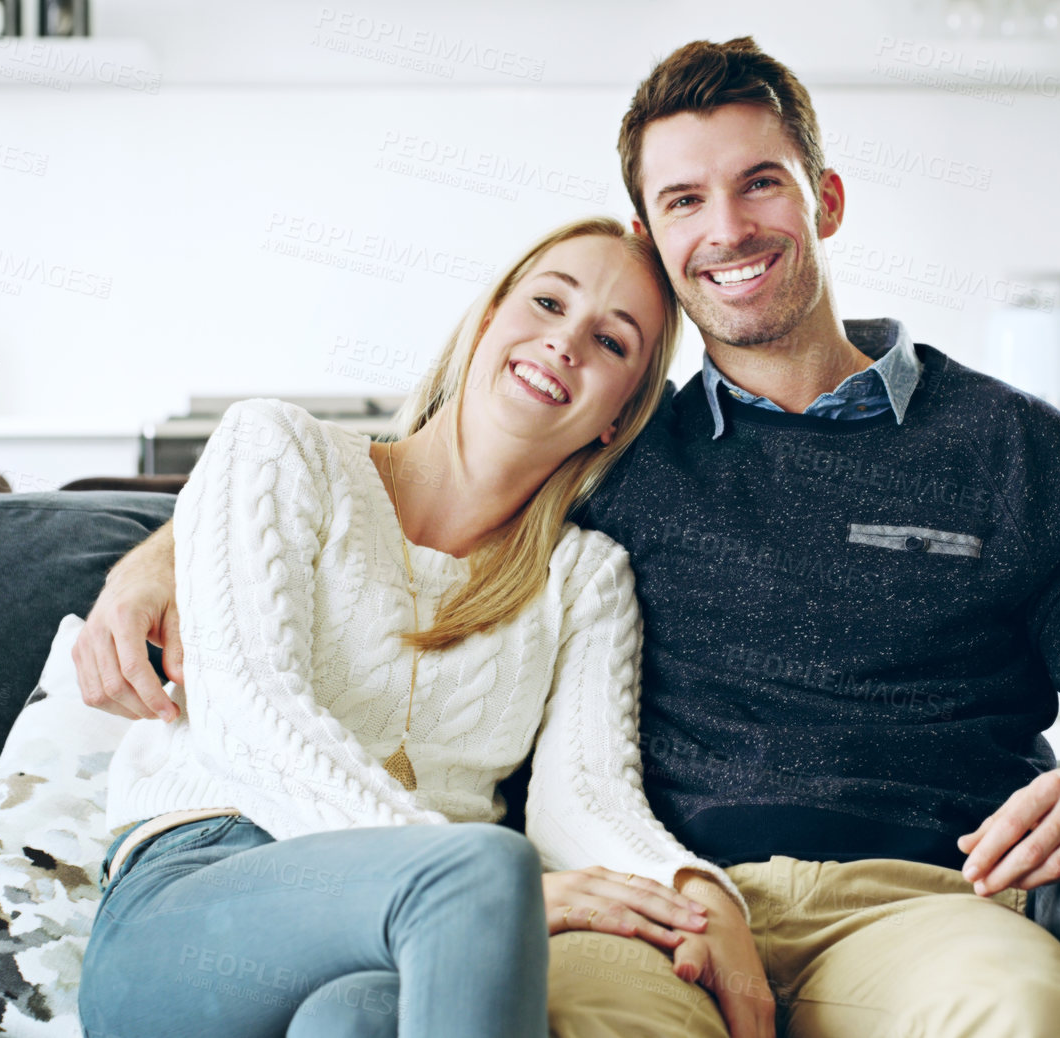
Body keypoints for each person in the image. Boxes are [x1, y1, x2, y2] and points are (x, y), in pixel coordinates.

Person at [78, 38, 1060, 1038]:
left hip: (922, 903)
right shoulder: (615, 453)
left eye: (761, 185)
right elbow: (408, 486)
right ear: (655, 232)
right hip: (658, 916)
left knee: (1015, 1015)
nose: (728, 229)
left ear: (825, 200)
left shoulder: (1020, 454)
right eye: (685, 201)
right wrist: (164, 549)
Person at [75, 218, 738, 1038]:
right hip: (200, 887)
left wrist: (695, 890)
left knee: (358, 1021)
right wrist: (465, 874)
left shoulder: (586, 577)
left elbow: (587, 799)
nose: (565, 342)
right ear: (487, 319)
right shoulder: (281, 448)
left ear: (618, 417)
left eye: (610, 341)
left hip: (408, 942)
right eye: (546, 301)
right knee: (487, 864)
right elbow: (250, 711)